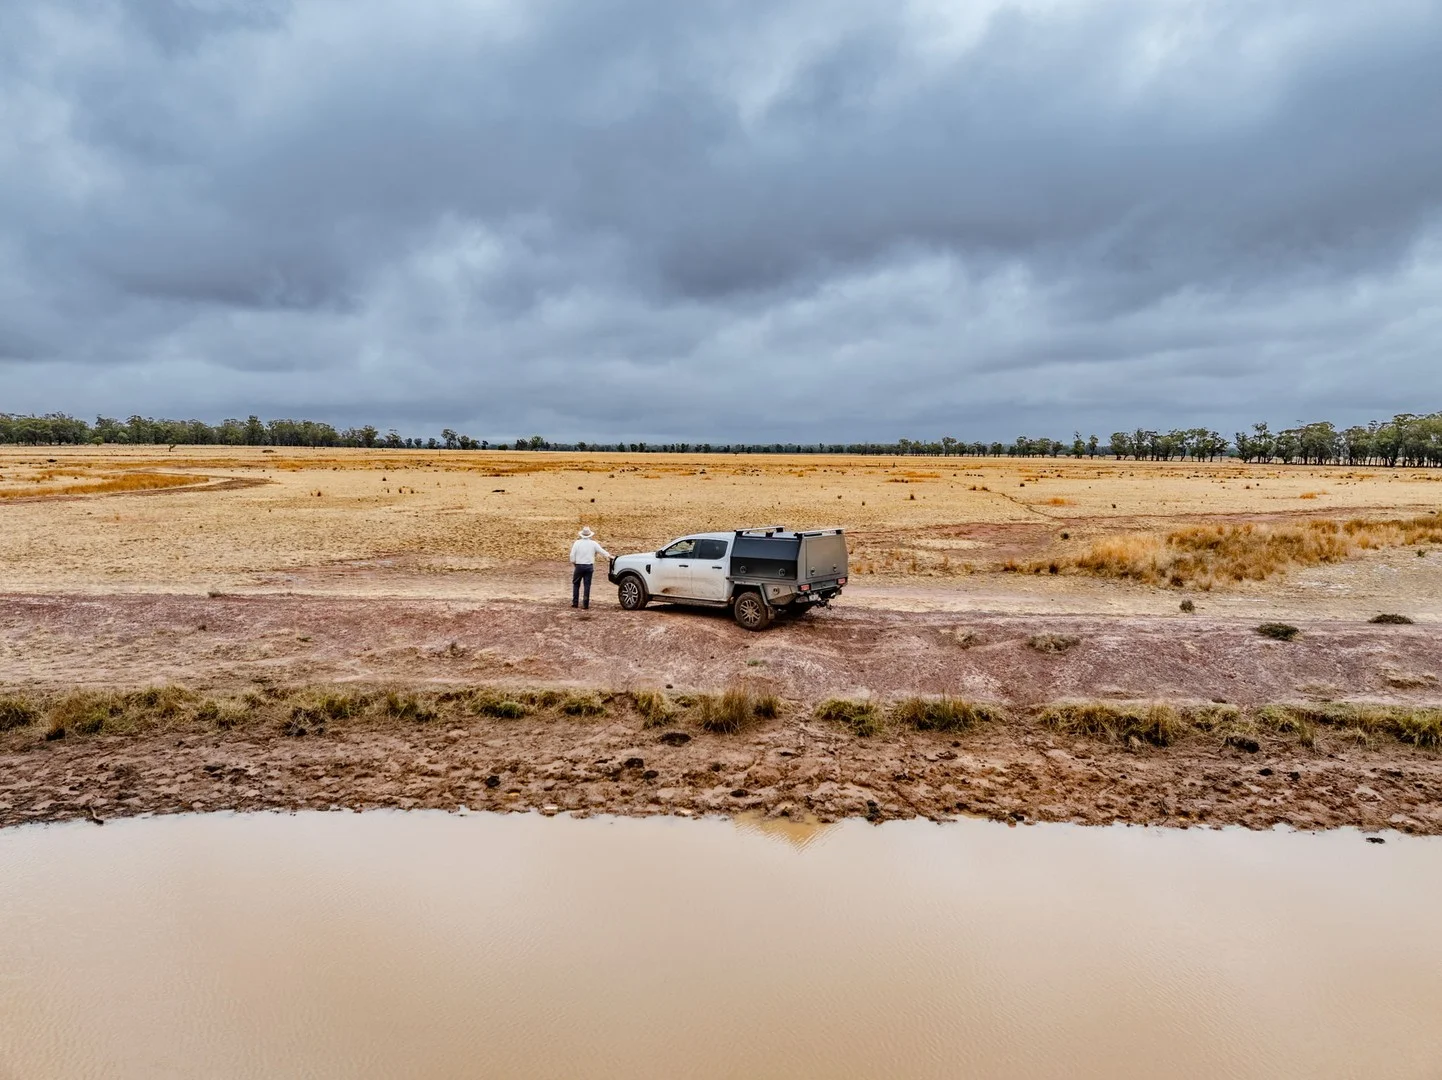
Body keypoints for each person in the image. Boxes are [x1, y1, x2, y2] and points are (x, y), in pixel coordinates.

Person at [568, 526, 611, 609]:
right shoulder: (593, 543)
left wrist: (574, 562)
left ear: (582, 535)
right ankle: (585, 604)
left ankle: (575, 603)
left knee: (576, 584)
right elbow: (602, 551)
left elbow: (572, 555)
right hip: (589, 566)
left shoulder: (577, 543)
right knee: (587, 585)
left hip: (579, 565)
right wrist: (609, 556)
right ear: (590, 535)